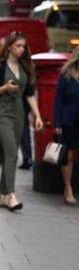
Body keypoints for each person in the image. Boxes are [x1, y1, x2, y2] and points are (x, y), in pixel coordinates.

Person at [0, 31, 43, 211]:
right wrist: (5, 87)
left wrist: (38, 115)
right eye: (18, 46)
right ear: (9, 47)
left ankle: (1, 196)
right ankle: (10, 195)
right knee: (12, 154)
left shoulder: (25, 67)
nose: (21, 49)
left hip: (19, 114)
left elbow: (30, 94)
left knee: (11, 155)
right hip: (2, 114)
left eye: (23, 46)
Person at [54, 46, 79, 205]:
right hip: (69, 120)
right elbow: (58, 101)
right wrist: (57, 123)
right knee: (68, 155)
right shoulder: (66, 75)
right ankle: (68, 187)